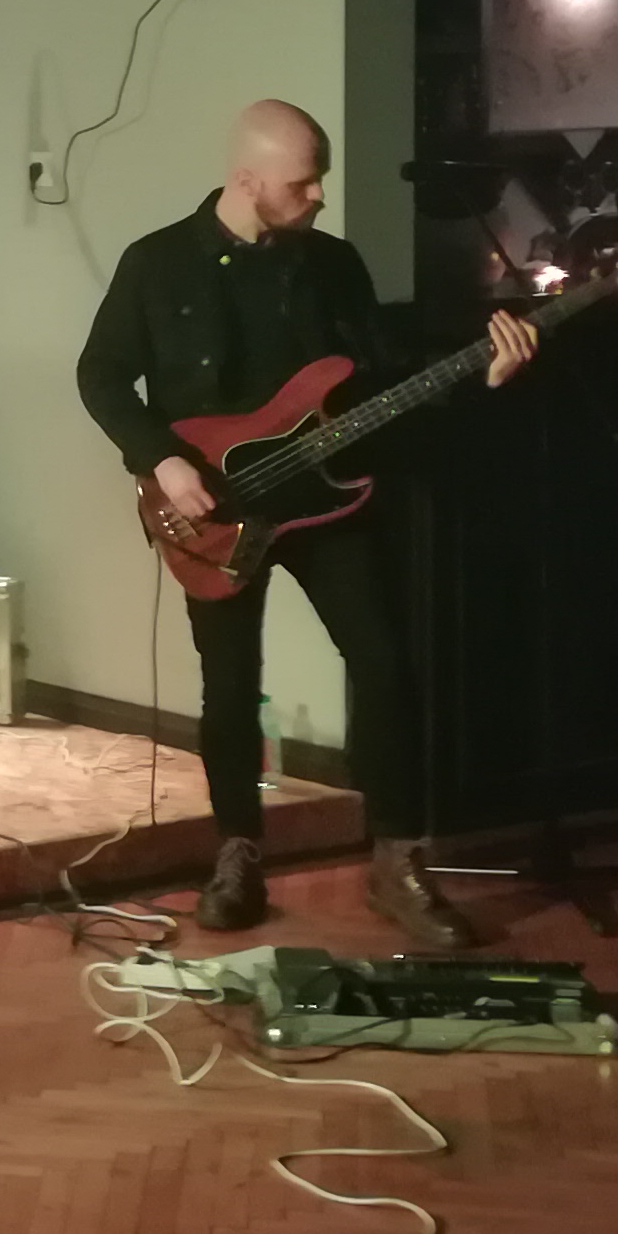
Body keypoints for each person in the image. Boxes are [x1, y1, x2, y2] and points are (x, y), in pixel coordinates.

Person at [76, 99, 535, 946]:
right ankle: (237, 854)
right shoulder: (157, 264)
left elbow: (383, 382)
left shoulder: (332, 265)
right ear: (247, 180)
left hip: (330, 501)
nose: (321, 194)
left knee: (386, 665)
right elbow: (100, 376)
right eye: (303, 182)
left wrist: (482, 378)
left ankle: (396, 860)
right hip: (215, 513)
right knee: (228, 686)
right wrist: (162, 460)